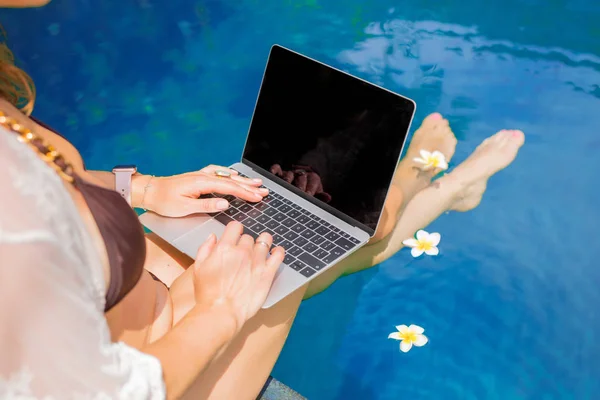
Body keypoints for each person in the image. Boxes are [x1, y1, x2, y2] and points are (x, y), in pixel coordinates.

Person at [0, 1, 525, 398]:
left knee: (313, 230)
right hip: (163, 371)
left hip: (132, 303)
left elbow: (43, 184)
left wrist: (142, 188)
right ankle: (430, 178)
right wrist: (221, 308)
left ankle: (443, 186)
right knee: (345, 230)